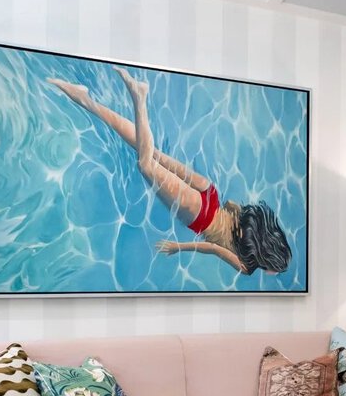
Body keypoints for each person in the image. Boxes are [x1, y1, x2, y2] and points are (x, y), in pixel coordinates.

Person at [46, 68, 292, 276]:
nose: (272, 274)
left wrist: (227, 225)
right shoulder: (246, 266)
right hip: (198, 214)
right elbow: (214, 249)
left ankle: (85, 100)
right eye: (276, 270)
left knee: (151, 152)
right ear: (270, 261)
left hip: (209, 193)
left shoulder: (252, 222)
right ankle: (139, 98)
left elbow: (228, 204)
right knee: (145, 165)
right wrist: (179, 246)